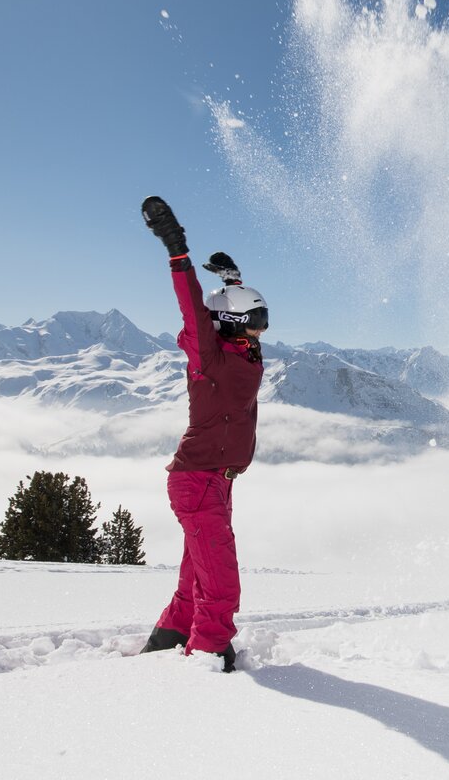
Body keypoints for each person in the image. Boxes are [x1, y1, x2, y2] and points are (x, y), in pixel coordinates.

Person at [137, 196, 270, 671]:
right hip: (197, 480)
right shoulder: (208, 356)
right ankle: (210, 653)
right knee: (221, 584)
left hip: (219, 480)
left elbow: (225, 316)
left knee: (198, 573)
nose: (259, 335)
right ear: (230, 325)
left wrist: (234, 282)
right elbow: (194, 309)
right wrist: (178, 251)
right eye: (254, 326)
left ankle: (170, 636)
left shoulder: (243, 353)